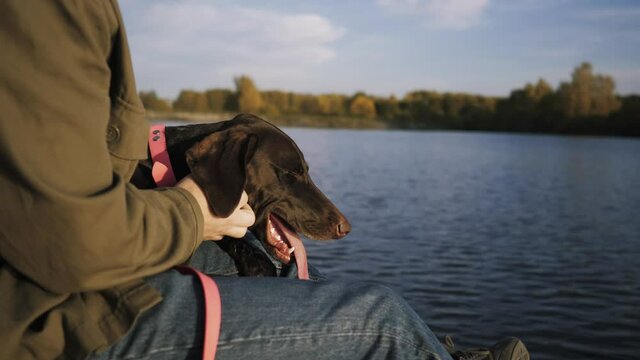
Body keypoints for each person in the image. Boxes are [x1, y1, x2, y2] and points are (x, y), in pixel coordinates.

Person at [0, 1, 529, 359]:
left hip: (68, 275)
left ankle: (440, 351)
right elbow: (71, 242)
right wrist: (192, 212)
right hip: (47, 320)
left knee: (270, 261)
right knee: (380, 318)